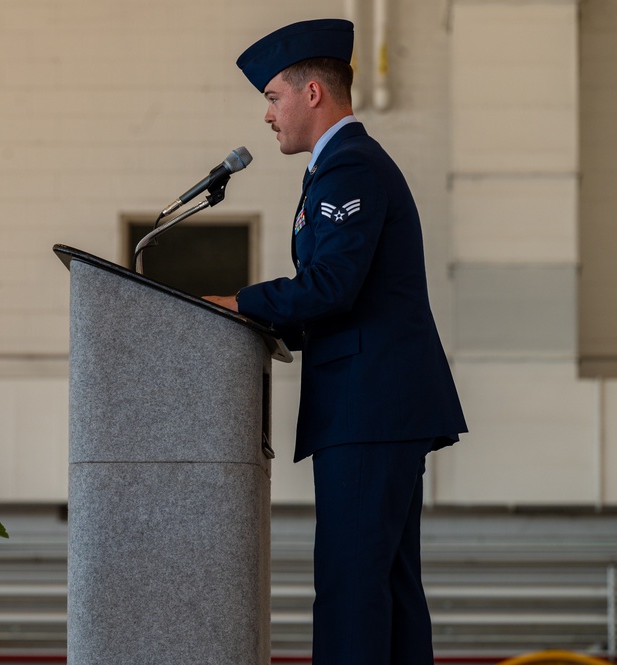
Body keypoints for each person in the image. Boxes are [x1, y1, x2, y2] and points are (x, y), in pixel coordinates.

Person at [203, 18, 468, 665]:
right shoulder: (343, 168)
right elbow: (336, 292)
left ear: (312, 94)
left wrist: (239, 303)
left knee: (353, 586)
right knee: (386, 586)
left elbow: (330, 286)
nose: (267, 116)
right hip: (380, 403)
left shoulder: (349, 167)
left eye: (271, 97)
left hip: (369, 404)